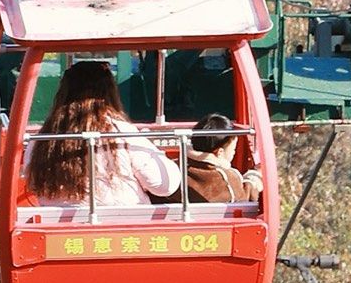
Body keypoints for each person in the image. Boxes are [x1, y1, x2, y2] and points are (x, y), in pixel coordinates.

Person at [28, 60, 260, 209]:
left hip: (58, 229)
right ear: (109, 93)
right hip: (124, 225)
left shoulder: (44, 139)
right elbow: (166, 184)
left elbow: (31, 182)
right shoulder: (121, 133)